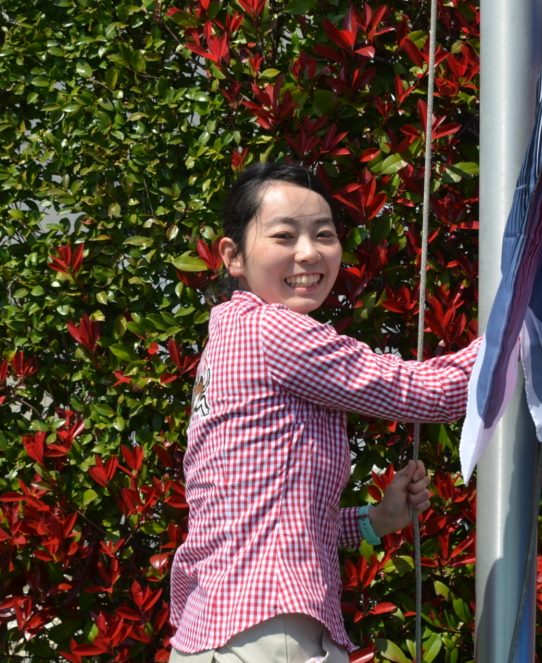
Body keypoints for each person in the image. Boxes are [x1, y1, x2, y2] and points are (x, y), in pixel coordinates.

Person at [168, 163, 480, 663]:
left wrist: (376, 520)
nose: (309, 252)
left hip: (221, 632)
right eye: (284, 235)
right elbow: (425, 392)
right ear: (233, 256)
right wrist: (518, 330)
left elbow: (270, 519)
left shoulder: (228, 337)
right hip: (269, 636)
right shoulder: (274, 331)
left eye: (324, 235)